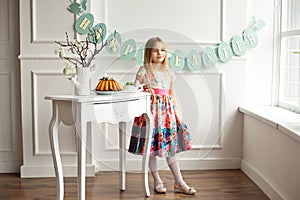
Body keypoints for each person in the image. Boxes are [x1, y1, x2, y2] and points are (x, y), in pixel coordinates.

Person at [128, 37, 196, 195]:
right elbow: (135, 91)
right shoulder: (144, 70)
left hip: (166, 116)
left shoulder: (169, 72)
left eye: (162, 50)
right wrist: (145, 91)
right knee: (150, 150)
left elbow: (171, 95)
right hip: (149, 115)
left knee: (170, 149)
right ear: (148, 53)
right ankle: (157, 180)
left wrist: (177, 114)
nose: (160, 53)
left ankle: (179, 182)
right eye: (155, 50)